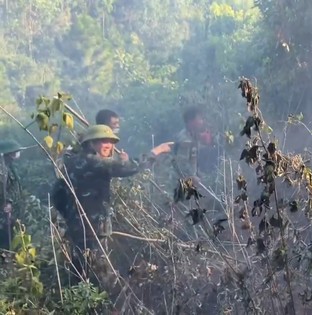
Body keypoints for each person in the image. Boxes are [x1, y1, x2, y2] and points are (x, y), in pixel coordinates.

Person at [51, 124, 172, 298]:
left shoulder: (73, 162)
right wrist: (157, 151)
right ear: (91, 144)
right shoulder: (93, 161)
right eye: (103, 141)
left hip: (76, 229)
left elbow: (56, 195)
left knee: (79, 275)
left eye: (111, 141)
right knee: (105, 280)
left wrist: (71, 217)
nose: (109, 145)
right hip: (93, 230)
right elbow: (130, 167)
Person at [175, 106, 218, 182]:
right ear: (190, 121)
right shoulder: (184, 139)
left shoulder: (194, 136)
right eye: (199, 119)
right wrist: (192, 177)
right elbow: (182, 164)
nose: (202, 122)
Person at [0, 140, 25, 249]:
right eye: (16, 152)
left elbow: (13, 185)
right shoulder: (2, 169)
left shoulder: (8, 166)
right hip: (3, 215)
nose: (18, 154)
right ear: (10, 154)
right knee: (4, 241)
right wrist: (8, 202)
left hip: (11, 214)